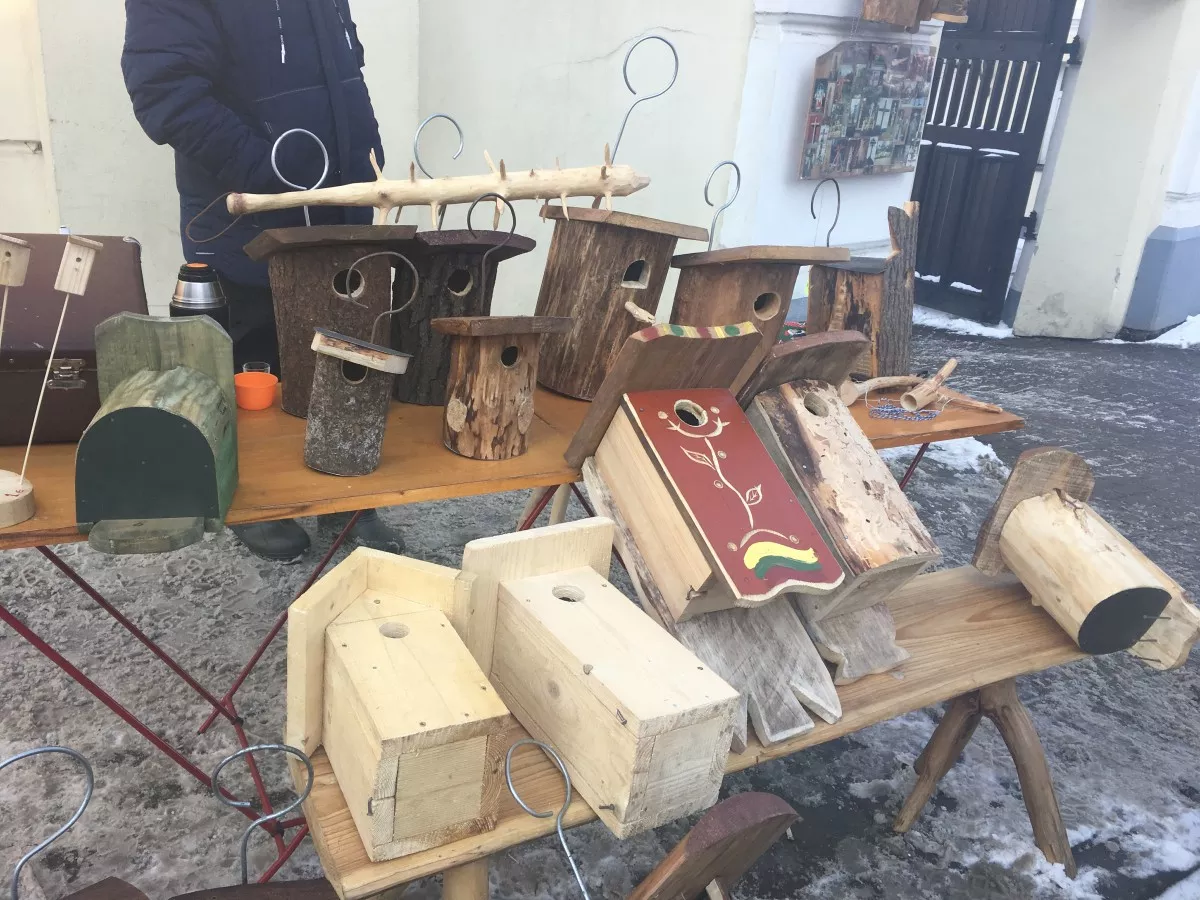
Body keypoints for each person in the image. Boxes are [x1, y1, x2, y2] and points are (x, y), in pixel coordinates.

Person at [121, 0, 404, 561]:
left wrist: (365, 153)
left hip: (337, 208)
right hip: (247, 215)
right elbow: (164, 90)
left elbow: (343, 67)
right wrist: (267, 172)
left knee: (344, 358)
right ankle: (262, 498)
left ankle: (345, 492)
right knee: (257, 369)